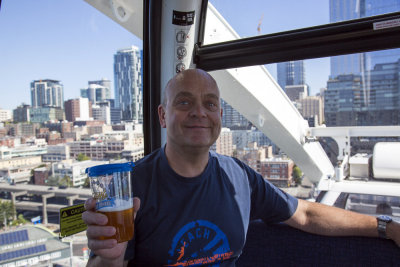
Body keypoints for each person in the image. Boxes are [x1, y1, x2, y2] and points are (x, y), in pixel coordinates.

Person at [83, 69, 400, 266]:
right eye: (184, 102)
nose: (199, 112)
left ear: (219, 115)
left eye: (209, 104)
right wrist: (110, 260)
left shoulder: (239, 175)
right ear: (163, 116)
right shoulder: (126, 187)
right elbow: (103, 262)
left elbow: (305, 213)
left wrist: (385, 226)